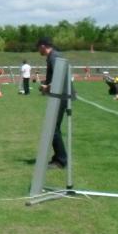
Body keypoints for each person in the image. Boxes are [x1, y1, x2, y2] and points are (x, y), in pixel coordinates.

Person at [37, 36, 68, 169]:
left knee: (52, 128)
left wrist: (47, 87)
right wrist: (46, 84)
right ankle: (58, 157)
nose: (38, 51)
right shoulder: (54, 56)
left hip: (60, 96)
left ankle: (61, 160)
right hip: (60, 95)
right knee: (54, 128)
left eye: (38, 48)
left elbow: (59, 77)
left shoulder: (54, 57)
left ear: (43, 46)